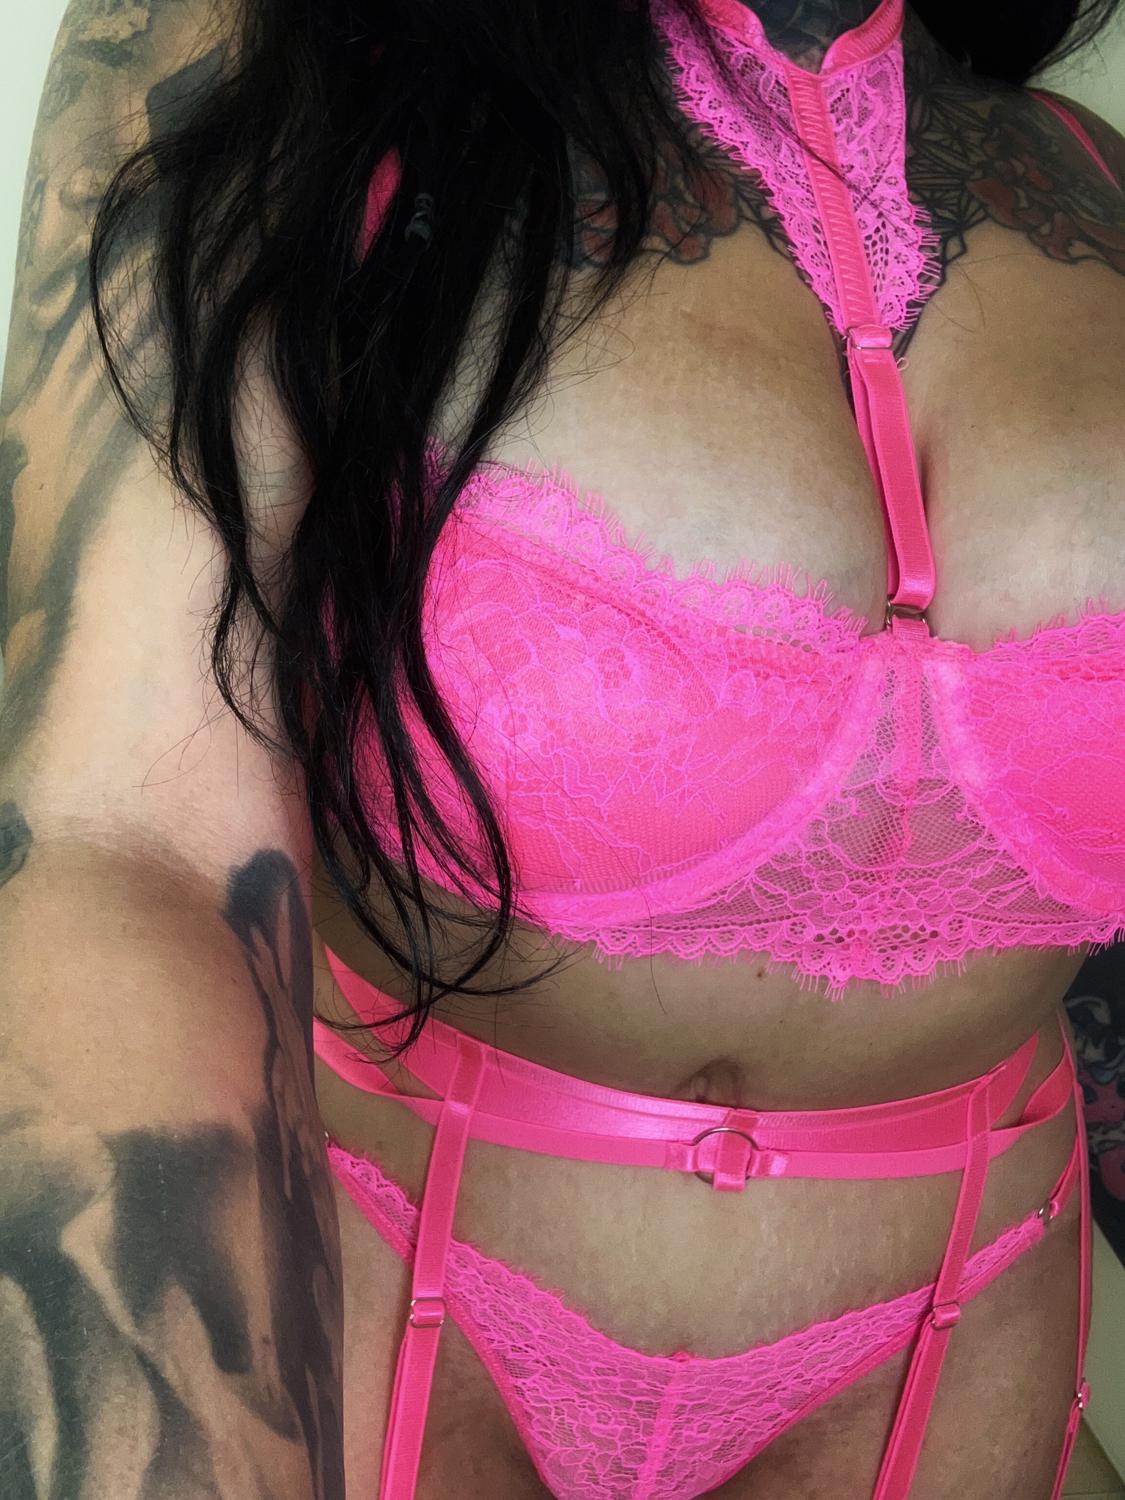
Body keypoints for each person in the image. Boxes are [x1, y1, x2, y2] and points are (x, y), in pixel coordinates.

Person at [2, 1, 1123, 1495]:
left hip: (962, 1335)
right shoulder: (259, 51)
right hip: (375, 1289)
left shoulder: (1093, 183)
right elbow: (118, 850)